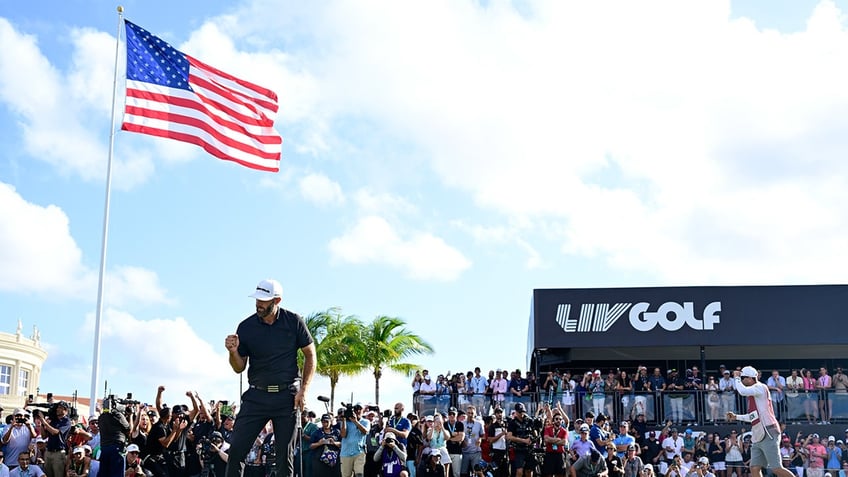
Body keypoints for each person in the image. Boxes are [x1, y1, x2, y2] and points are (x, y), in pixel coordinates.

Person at [224, 279, 317, 477]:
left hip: (287, 397)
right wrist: (233, 352)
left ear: (277, 300)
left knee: (284, 457)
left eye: (264, 300)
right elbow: (239, 367)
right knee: (236, 450)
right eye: (257, 299)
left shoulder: (293, 322)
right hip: (256, 396)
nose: (259, 304)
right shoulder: (246, 327)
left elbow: (311, 355)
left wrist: (304, 390)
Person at [726, 366, 794, 477]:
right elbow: (753, 417)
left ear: (750, 378)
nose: (742, 380)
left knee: (776, 468)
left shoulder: (760, 387)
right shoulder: (754, 394)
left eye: (743, 378)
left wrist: (736, 378)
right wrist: (736, 417)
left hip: (769, 432)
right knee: (754, 468)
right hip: (759, 434)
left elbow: (742, 391)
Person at [98, 402, 131, 477]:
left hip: (104, 449)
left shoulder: (101, 417)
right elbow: (129, 428)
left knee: (104, 473)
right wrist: (130, 416)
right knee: (117, 473)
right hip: (116, 448)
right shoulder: (118, 415)